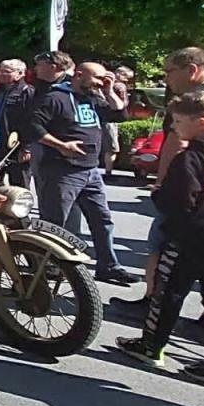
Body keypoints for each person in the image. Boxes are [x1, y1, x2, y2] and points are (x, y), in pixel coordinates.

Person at [117, 91, 204, 394]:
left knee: (167, 292)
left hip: (192, 236)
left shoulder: (191, 159)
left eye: (180, 122)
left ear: (202, 122)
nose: (175, 128)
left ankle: (151, 346)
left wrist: (158, 193)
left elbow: (177, 202)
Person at [113, 47, 204, 309]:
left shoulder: (194, 101)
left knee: (163, 247)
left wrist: (162, 182)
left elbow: (176, 142)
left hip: (192, 187)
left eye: (169, 71)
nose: (167, 79)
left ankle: (153, 304)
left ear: (192, 69)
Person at [32, 62, 137, 285]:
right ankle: (48, 266)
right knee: (55, 222)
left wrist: (108, 91)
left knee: (102, 220)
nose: (101, 82)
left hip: (90, 171)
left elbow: (120, 115)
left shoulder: (94, 98)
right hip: (62, 170)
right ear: (79, 75)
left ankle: (108, 266)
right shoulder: (55, 98)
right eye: (97, 78)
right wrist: (61, 145)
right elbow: (33, 127)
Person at [0, 59, 35, 187]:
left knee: (19, 186)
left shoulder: (27, 92)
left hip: (16, 147)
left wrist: (27, 148)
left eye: (6, 71)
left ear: (20, 73)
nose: (1, 74)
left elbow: (32, 121)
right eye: (0, 71)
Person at [102, 67, 133, 174]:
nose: (126, 81)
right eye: (126, 78)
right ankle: (108, 171)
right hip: (111, 120)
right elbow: (122, 104)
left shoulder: (101, 84)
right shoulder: (119, 86)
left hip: (102, 117)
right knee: (112, 147)